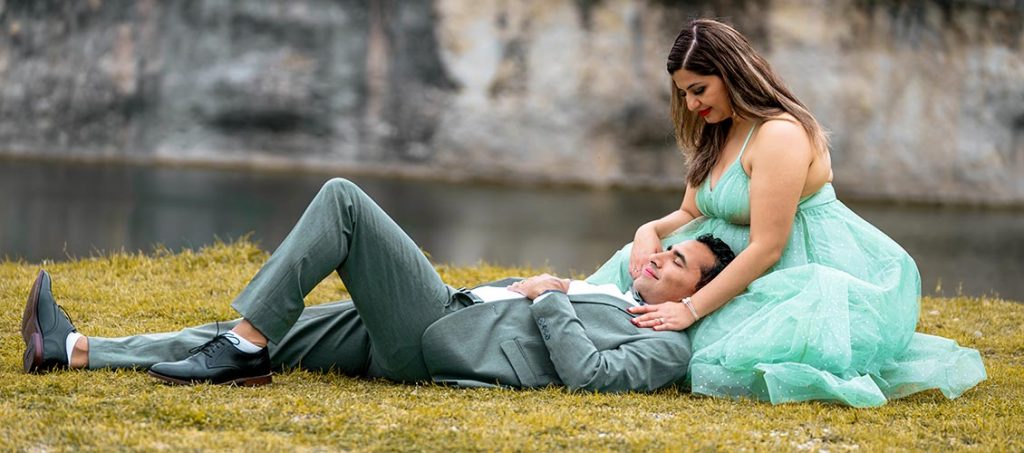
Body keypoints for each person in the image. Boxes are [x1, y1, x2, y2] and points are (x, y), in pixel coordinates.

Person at [587, 19, 986, 406]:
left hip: (785, 265)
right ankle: (559, 323)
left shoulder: (780, 134)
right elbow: (690, 211)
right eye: (683, 93)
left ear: (731, 75)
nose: (691, 105)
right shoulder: (718, 128)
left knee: (714, 349)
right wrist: (647, 230)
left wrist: (690, 309)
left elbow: (767, 247)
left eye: (699, 90)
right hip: (714, 253)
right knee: (629, 263)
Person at [22, 178, 735, 393]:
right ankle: (75, 348)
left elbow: (592, 374)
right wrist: (675, 228)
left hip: (436, 338)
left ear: (690, 295)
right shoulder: (627, 285)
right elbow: (651, 235)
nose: (660, 257)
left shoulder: (667, 346)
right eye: (665, 250)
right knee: (280, 332)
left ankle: (244, 344)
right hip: (438, 318)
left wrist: (546, 294)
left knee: (344, 201)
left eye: (679, 263)